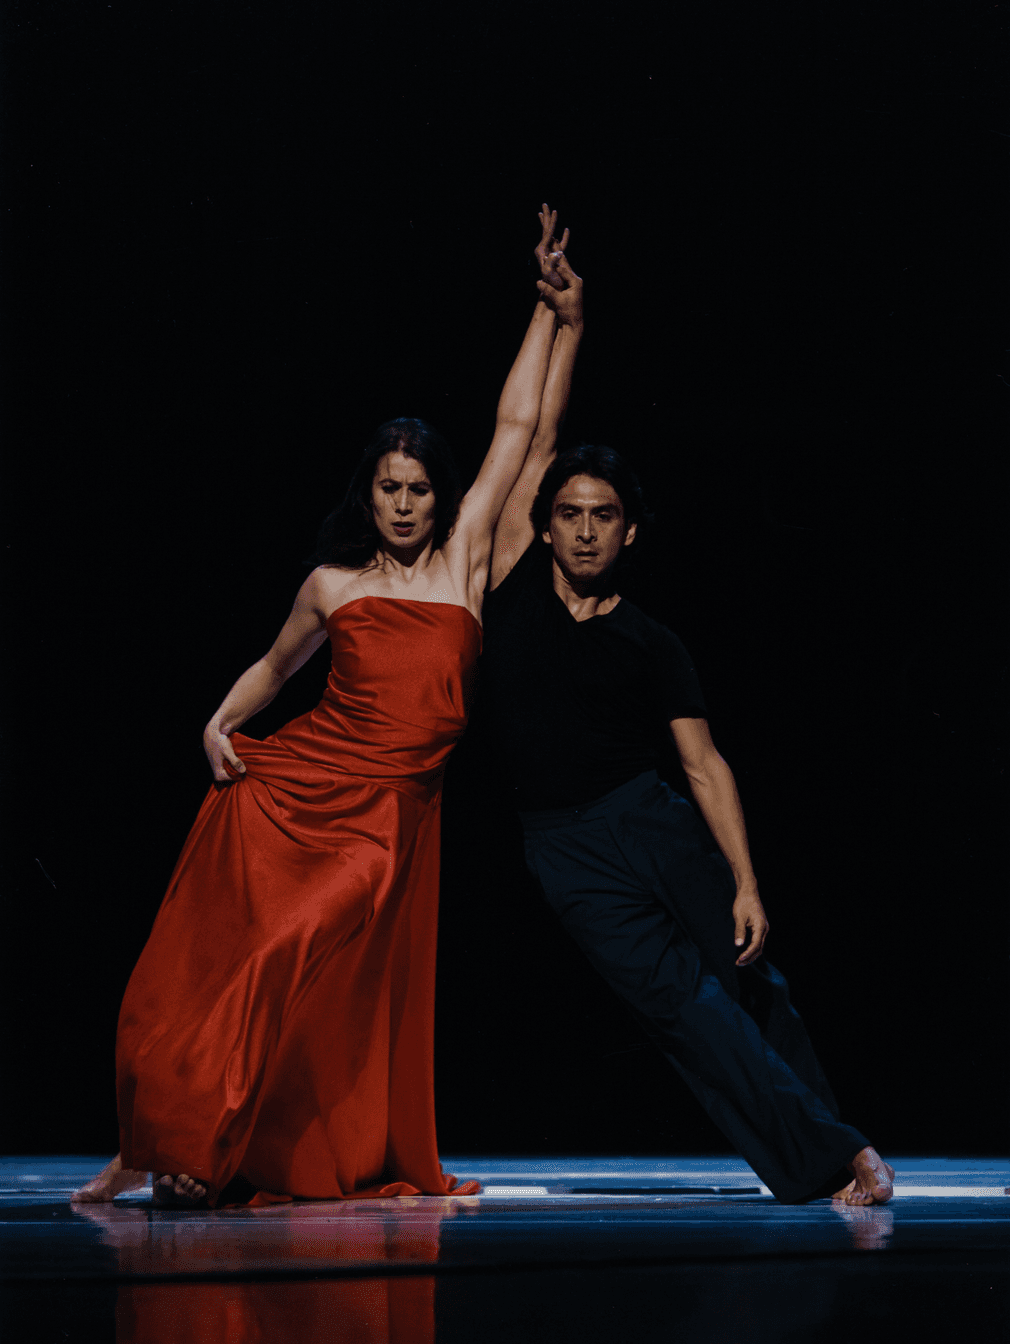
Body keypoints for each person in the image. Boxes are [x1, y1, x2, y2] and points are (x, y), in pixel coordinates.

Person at [73, 205, 585, 1208]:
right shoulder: (333, 587)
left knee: (295, 957)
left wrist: (557, 312)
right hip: (303, 788)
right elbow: (272, 670)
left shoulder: (462, 569)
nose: (404, 505)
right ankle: (169, 1146)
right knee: (251, 958)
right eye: (389, 490)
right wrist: (217, 726)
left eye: (420, 491)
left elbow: (525, 430)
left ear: (440, 501)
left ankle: (192, 1145)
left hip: (390, 818)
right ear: (370, 495)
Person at [479, 285, 894, 1207]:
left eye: (604, 515)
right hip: (565, 846)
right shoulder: (508, 585)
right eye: (571, 513)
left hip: (651, 818)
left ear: (628, 531)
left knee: (754, 987)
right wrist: (565, 323)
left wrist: (746, 879)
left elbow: (704, 764)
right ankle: (835, 1159)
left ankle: (843, 1149)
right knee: (685, 1009)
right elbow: (534, 438)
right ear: (545, 523)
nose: (585, 528)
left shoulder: (652, 641)